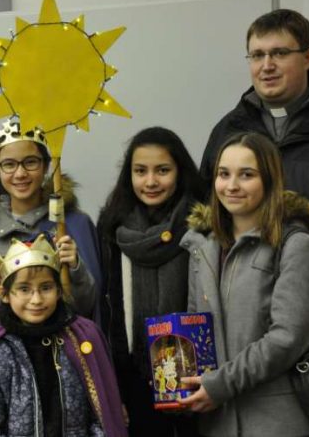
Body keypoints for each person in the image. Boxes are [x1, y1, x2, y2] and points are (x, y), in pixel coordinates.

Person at [200, 8, 309, 311]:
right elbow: (207, 218)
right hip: (250, 312)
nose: (266, 66)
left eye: (279, 53)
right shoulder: (228, 131)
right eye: (257, 55)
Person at [180, 132, 309, 436]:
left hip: (278, 423)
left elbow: (288, 338)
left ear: (270, 181)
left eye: (246, 175)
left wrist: (220, 385)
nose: (231, 186)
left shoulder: (299, 246)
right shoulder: (204, 249)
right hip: (216, 422)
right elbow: (195, 327)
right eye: (224, 174)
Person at [0, 233, 127, 436]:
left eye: (46, 288)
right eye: (24, 289)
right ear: (4, 294)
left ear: (59, 290)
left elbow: (101, 417)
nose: (36, 299)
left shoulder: (83, 338)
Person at [97, 127, 204, 436]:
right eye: (140, 171)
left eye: (163, 170)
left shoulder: (203, 225)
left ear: (180, 173)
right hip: (133, 376)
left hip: (196, 376)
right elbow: (106, 310)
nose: (151, 181)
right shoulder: (112, 228)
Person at [0, 121, 101, 325]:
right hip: (1, 352)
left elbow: (88, 308)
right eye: (9, 164)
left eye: (30, 162)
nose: (20, 173)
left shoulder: (71, 226)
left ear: (46, 165)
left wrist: (75, 266)